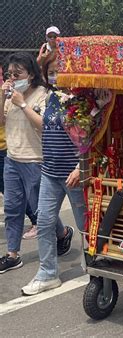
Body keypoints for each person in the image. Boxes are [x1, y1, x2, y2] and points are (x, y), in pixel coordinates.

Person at [21, 57, 85, 295]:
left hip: (74, 174)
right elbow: (45, 127)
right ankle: (48, 273)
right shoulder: (51, 99)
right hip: (50, 172)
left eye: (60, 71)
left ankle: (95, 265)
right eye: (51, 72)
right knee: (45, 223)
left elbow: (91, 136)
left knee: (85, 224)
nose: (55, 76)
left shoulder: (82, 100)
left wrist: (81, 167)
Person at [0, 52, 48, 273]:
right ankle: (13, 254)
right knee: (12, 208)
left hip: (34, 160)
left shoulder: (42, 95)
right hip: (12, 158)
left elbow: (43, 126)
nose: (13, 78)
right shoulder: (11, 94)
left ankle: (62, 234)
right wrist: (3, 98)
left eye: (17, 74)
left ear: (30, 74)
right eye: (9, 74)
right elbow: (1, 121)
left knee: (40, 210)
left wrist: (22, 105)